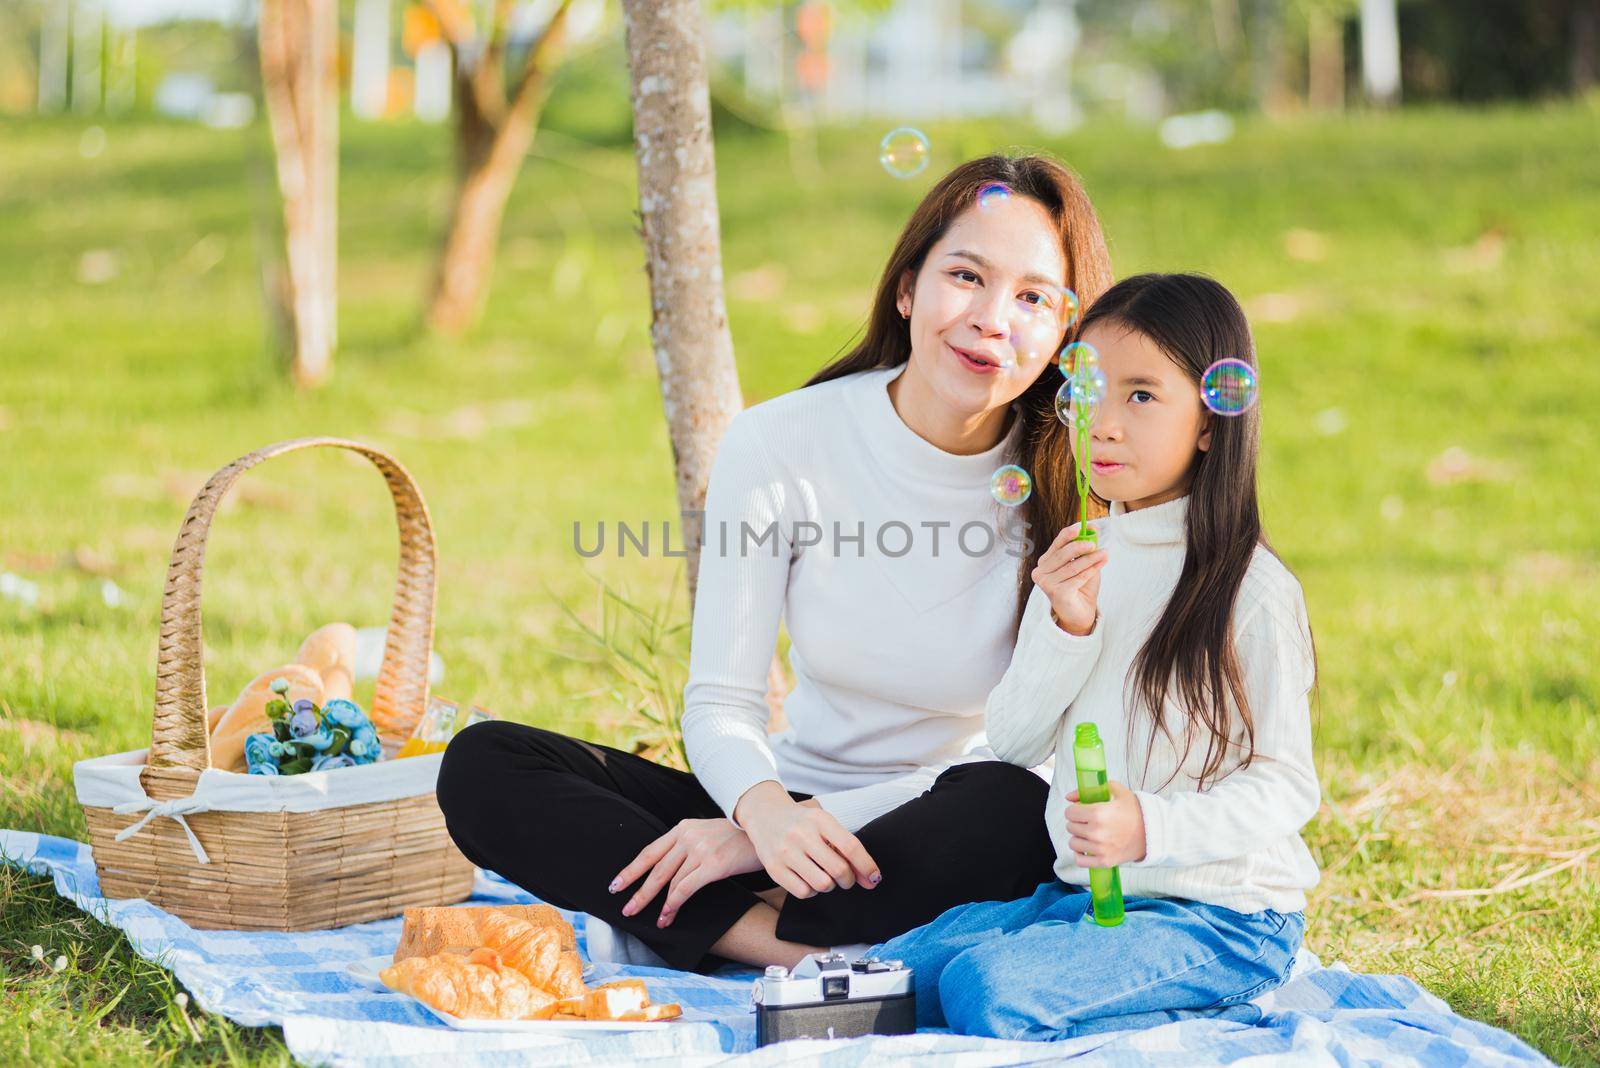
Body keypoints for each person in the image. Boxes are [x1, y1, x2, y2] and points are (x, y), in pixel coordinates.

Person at [436, 154, 1115, 972]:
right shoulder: (782, 442)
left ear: (1067, 336)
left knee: (1016, 805)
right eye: (966, 276)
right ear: (907, 289)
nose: (993, 319)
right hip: (784, 808)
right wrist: (762, 817)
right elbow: (722, 701)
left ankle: (724, 914)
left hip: (939, 819)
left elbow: (1033, 751)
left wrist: (756, 844)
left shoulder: (1082, 482)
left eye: (1034, 298)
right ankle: (791, 950)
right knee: (484, 766)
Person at [866, 273, 1322, 1040]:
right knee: (900, 970)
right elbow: (1013, 739)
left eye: (1141, 396)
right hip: (1097, 899)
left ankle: (1214, 1009)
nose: (1102, 425)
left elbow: (1287, 787)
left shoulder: (1252, 591)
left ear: (1212, 421)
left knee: (988, 991)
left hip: (1225, 920)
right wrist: (1066, 627)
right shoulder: (1086, 559)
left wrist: (1150, 826)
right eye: (1087, 393)